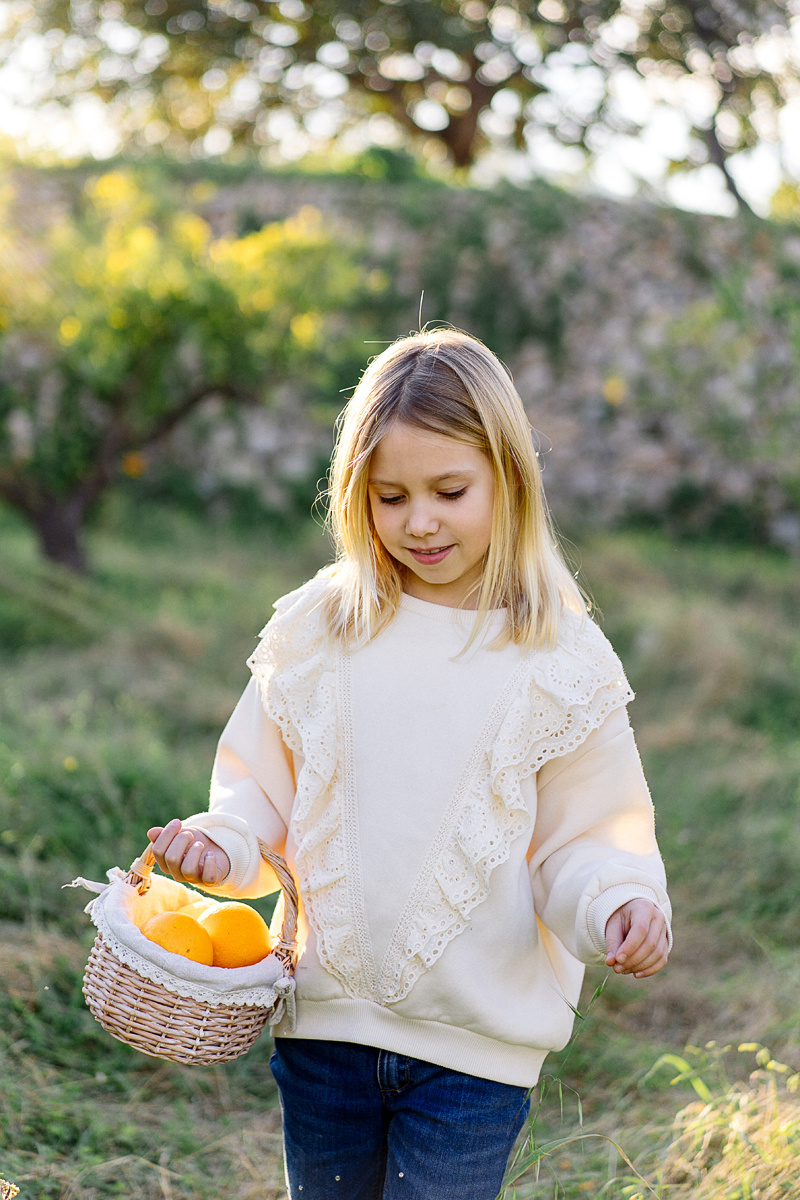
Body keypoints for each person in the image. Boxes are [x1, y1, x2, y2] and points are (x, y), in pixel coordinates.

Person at [148, 328, 671, 1200]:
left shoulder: (560, 661)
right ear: (358, 496)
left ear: (510, 476)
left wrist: (617, 901)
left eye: (450, 490)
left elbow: (590, 836)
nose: (419, 521)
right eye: (390, 497)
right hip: (323, 1035)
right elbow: (255, 793)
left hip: (474, 1061)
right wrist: (220, 843)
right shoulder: (323, 630)